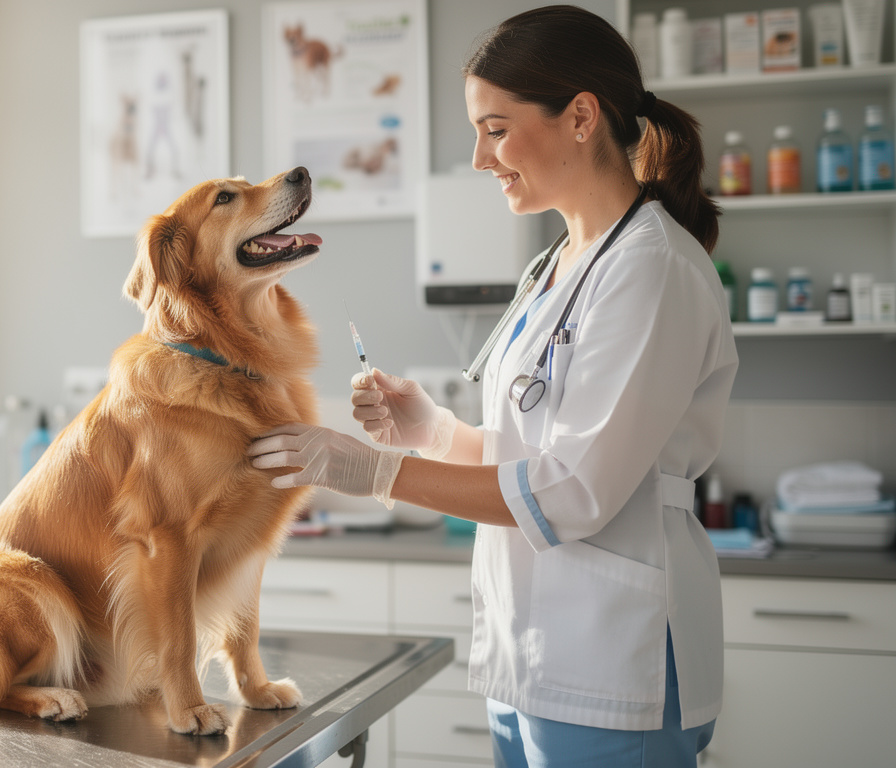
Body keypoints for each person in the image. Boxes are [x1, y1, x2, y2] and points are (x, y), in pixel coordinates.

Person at [247, 6, 738, 767]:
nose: (480, 159)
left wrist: (375, 472)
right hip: (527, 656)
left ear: (581, 117)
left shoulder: (653, 270)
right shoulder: (554, 266)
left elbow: (572, 491)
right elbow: (531, 452)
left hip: (613, 661)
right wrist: (433, 432)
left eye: (497, 128)